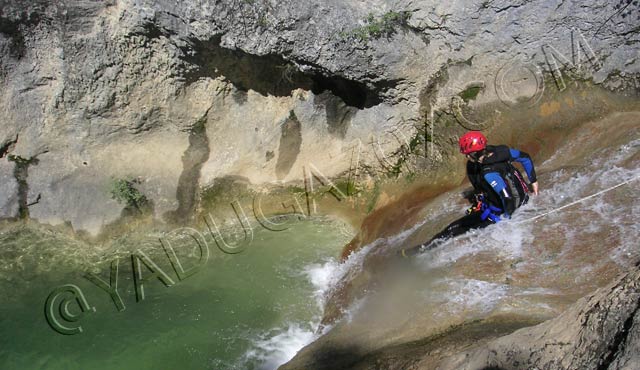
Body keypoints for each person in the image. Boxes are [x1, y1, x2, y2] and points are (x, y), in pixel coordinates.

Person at [401, 131, 539, 257]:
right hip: (523, 198)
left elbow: (506, 197)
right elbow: (525, 158)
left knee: (452, 229)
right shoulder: (502, 151)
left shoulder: (489, 173)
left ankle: (420, 251)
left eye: (467, 153)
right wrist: (533, 181)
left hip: (499, 213)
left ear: (472, 153)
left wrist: (506, 220)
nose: (466, 156)